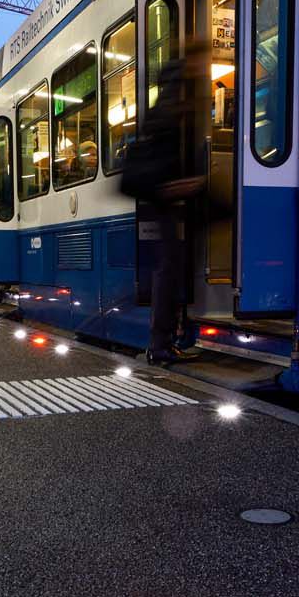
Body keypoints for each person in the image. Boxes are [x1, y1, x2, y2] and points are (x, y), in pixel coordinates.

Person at [122, 50, 207, 364]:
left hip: (168, 195)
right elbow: (164, 156)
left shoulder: (166, 107)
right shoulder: (171, 109)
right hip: (166, 196)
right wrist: (179, 184)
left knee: (171, 266)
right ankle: (160, 344)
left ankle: (164, 341)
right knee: (168, 267)